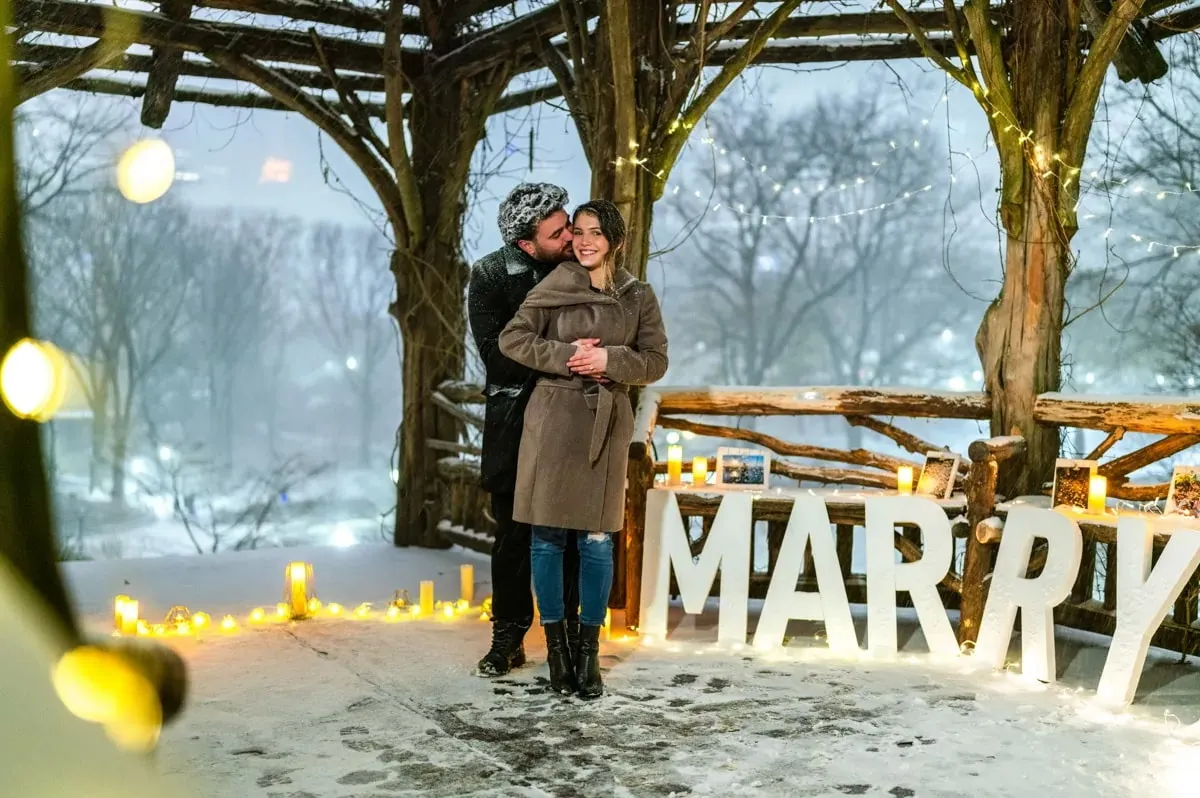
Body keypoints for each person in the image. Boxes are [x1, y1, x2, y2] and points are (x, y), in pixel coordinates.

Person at [498, 200, 669, 699]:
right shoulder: (555, 285)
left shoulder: (637, 295)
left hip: (605, 422)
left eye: (595, 233)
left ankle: (588, 651)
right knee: (546, 537)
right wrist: (570, 357)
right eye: (578, 232)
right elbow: (514, 339)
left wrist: (610, 359)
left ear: (614, 239)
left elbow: (655, 360)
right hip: (552, 420)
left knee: (597, 539)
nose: (584, 241)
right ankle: (556, 650)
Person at [467, 183, 583, 677]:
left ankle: (576, 636)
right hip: (513, 422)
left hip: (570, 421)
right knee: (511, 536)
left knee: (575, 531)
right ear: (526, 244)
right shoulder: (491, 275)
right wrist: (567, 359)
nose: (570, 236)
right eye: (558, 232)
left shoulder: (583, 268)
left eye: (569, 225)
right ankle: (508, 636)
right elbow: (497, 357)